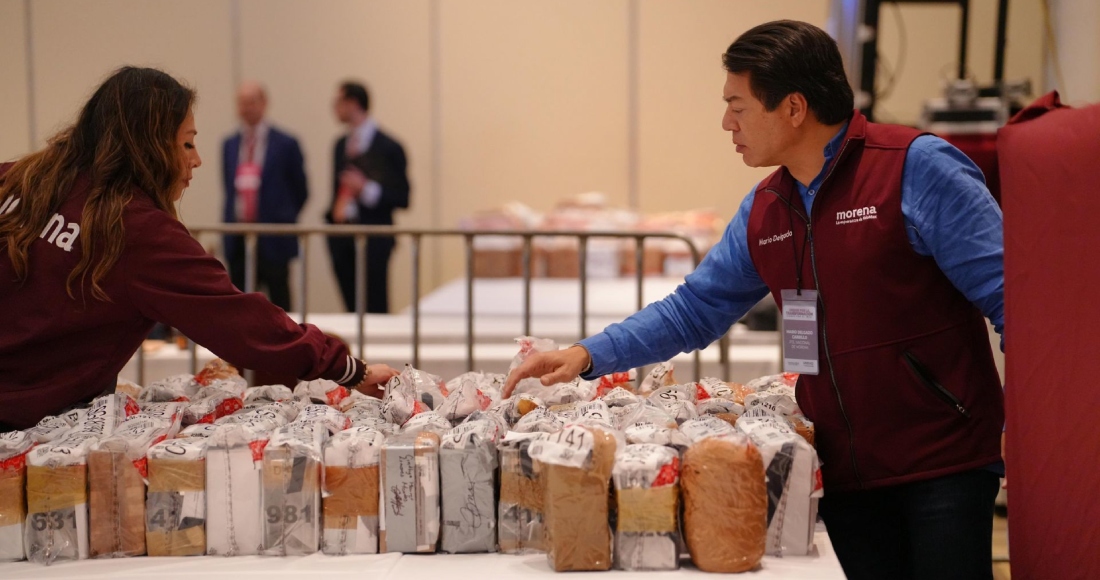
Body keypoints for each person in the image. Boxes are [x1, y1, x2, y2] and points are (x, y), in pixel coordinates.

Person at [505, 20, 1004, 580]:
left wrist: (1045, 436)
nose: (726, 124)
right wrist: (588, 355)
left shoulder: (916, 167)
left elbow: (1014, 299)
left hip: (940, 464)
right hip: (840, 471)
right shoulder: (767, 208)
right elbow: (694, 310)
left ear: (793, 108)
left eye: (737, 107)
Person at [0, 67, 397, 432]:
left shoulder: (18, 180)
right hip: (27, 421)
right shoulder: (137, 231)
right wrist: (350, 370)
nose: (196, 160)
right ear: (150, 147)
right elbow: (241, 322)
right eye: (187, 144)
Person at [221, 80, 309, 311]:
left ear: (264, 103)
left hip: (274, 237)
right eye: (241, 103)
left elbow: (301, 191)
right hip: (239, 237)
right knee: (239, 303)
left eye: (251, 102)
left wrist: (281, 217)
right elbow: (228, 188)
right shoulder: (229, 144)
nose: (246, 108)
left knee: (280, 300)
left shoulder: (286, 144)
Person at [325, 81, 410, 313]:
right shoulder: (340, 145)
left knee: (375, 307)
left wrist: (366, 189)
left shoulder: (389, 146)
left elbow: (403, 196)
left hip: (374, 239)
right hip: (343, 237)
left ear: (353, 103)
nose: (334, 108)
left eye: (338, 102)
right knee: (351, 308)